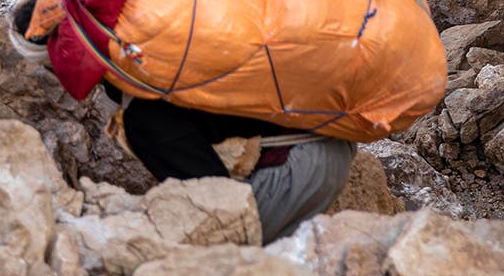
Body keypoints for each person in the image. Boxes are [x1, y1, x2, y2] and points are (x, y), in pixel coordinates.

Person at [110, 96, 357, 243]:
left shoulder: (143, 114)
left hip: (292, 170)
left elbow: (220, 207)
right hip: (334, 145)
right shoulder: (182, 58)